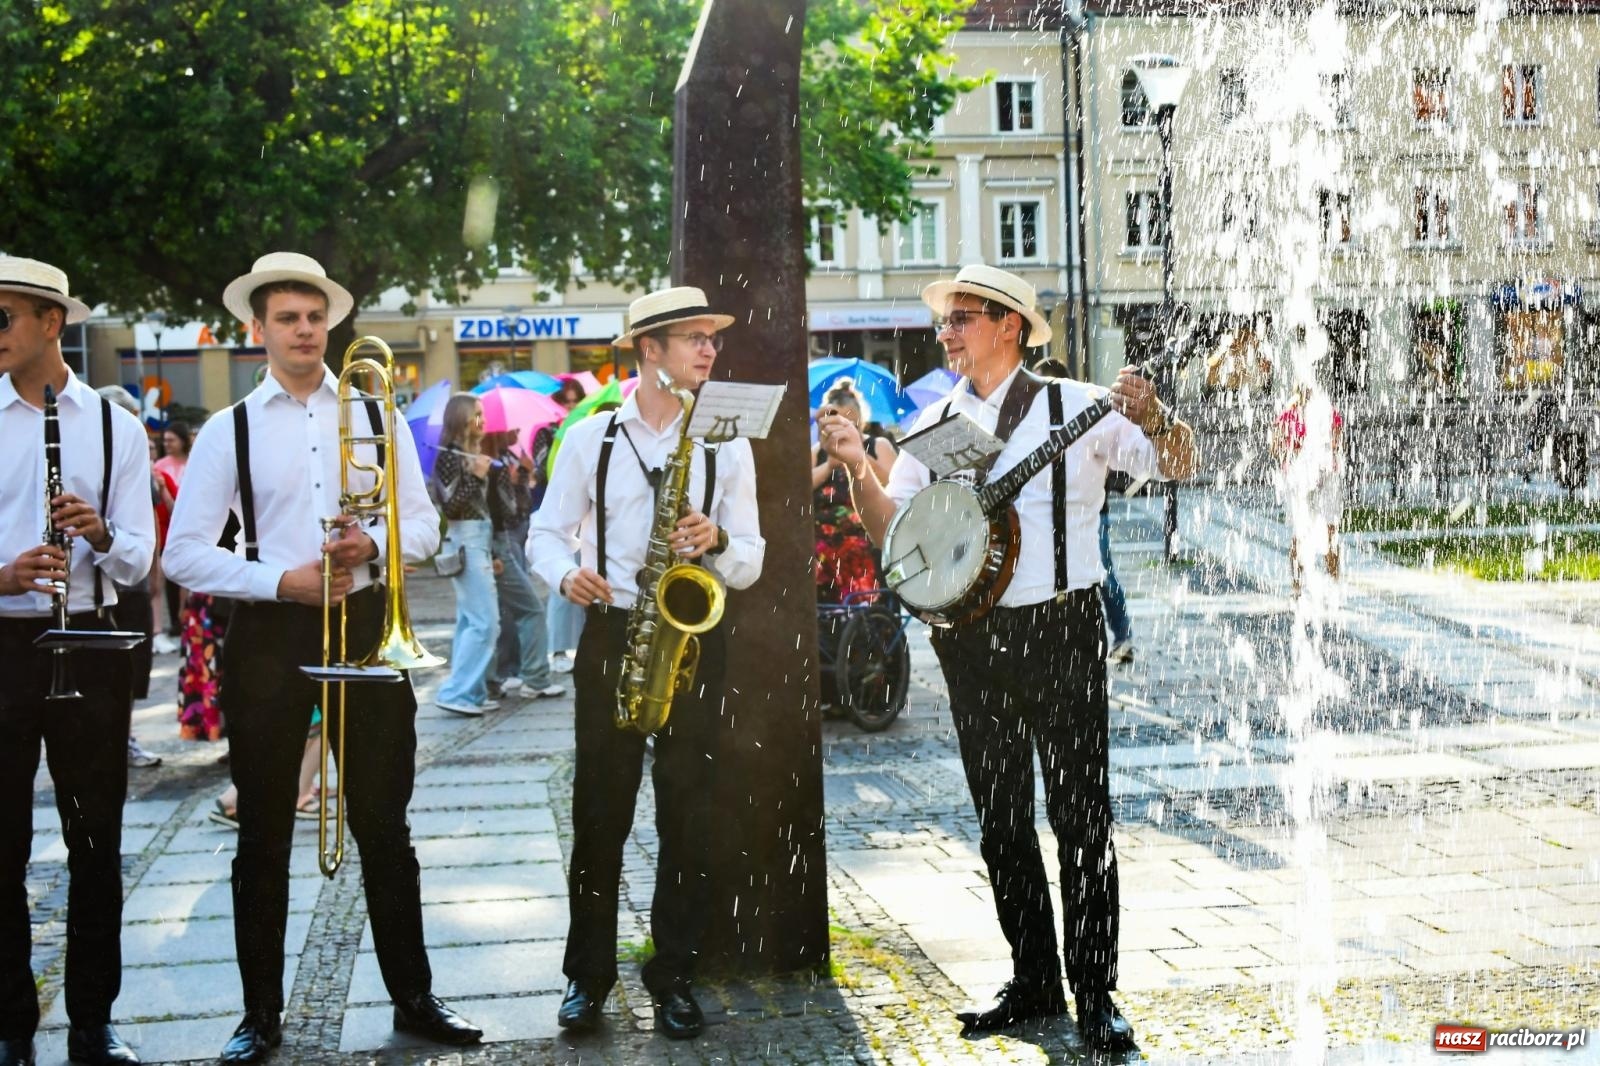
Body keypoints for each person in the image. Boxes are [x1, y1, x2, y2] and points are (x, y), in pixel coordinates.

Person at [819, 264, 1196, 1053]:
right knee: (1000, 819)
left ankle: (1094, 992)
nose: (946, 332)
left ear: (1010, 326)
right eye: (946, 320)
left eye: (962, 318)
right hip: (969, 639)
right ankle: (1033, 981)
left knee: (1081, 817)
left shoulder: (1079, 405)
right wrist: (857, 466)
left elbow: (1180, 465)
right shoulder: (934, 420)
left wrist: (1158, 418)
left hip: (1062, 629)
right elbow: (896, 530)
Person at [162, 251, 481, 1063]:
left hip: (368, 621)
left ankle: (415, 997)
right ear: (258, 328)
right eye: (287, 319)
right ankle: (258, 1014)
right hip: (270, 632)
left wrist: (369, 545)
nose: (304, 331)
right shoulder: (228, 429)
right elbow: (184, 553)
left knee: (384, 824)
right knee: (263, 830)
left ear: (330, 325)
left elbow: (425, 527)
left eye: (314, 318)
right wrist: (282, 580)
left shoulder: (375, 413)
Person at [530, 286, 764, 1040]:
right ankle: (587, 977)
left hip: (693, 638)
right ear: (649, 349)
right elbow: (544, 534)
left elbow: (752, 558)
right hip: (612, 632)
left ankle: (675, 975)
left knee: (689, 811)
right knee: (599, 812)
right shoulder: (590, 438)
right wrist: (565, 575)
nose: (709, 349)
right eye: (693, 337)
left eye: (712, 338)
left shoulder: (726, 443)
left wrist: (716, 541)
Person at [0, 256, 155, 1066]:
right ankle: (9, 1023)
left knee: (96, 836)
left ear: (50, 322)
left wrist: (99, 533)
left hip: (90, 638)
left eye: (3, 317)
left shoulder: (113, 426)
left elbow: (140, 560)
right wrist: (5, 575)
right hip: (3, 641)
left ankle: (94, 1019)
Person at [97, 386, 164, 768]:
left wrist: (154, 569)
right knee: (108, 672)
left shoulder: (137, 455)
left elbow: (149, 518)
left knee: (135, 668)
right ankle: (116, 740)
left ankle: (126, 737)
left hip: (132, 581)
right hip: (101, 585)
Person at [430, 394, 502, 716]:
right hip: (465, 542)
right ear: (461, 418)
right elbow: (450, 507)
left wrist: (493, 551)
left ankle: (470, 692)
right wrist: (475, 477)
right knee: (486, 623)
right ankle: (456, 692)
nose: (482, 421)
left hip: (479, 541)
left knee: (469, 622)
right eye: (477, 415)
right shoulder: (450, 456)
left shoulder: (470, 454)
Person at [483, 430, 563, 703]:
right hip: (499, 541)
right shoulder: (490, 463)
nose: (516, 433)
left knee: (504, 611)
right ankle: (530, 676)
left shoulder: (505, 457)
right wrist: (515, 480)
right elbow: (506, 509)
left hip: (510, 537)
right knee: (526, 609)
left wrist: (521, 478)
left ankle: (503, 675)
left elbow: (523, 505)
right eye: (511, 430)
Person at [811, 378, 896, 606]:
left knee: (854, 550)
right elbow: (800, 487)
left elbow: (893, 483)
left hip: (865, 535)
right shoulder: (817, 452)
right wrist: (829, 466)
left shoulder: (878, 445)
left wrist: (857, 455)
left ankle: (867, 613)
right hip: (823, 541)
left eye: (849, 424)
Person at [1272, 384, 1343, 597]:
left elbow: (1336, 443)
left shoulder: (1326, 412)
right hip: (1300, 478)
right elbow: (1276, 448)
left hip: (1325, 476)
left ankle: (1332, 585)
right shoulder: (1289, 415)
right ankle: (1299, 586)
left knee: (1329, 533)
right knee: (1302, 533)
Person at [152, 423, 190, 640]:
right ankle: (174, 620)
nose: (167, 444)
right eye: (165, 440)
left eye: (171, 440)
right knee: (168, 579)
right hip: (167, 524)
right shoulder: (161, 466)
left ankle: (184, 618)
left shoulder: (192, 461)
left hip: (189, 519)